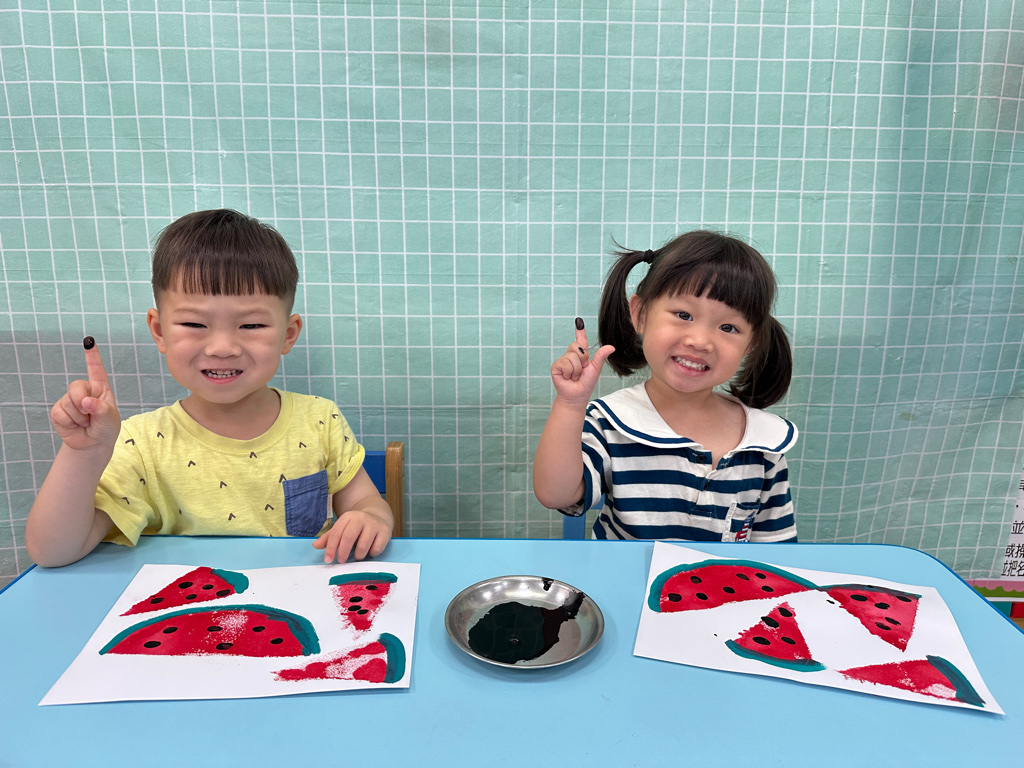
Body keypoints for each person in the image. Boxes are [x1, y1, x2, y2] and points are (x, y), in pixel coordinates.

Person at [26, 209, 394, 567]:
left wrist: (370, 518)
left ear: (288, 334)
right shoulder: (139, 443)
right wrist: (83, 454)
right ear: (159, 331)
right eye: (194, 324)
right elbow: (52, 553)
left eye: (251, 326)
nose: (222, 347)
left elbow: (365, 503)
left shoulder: (320, 420)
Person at [533, 230, 798, 542]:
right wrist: (570, 405)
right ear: (640, 314)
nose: (700, 341)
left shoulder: (764, 442)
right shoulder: (610, 422)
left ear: (751, 344)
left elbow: (775, 550)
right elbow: (556, 495)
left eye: (728, 327)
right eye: (684, 314)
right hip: (625, 575)